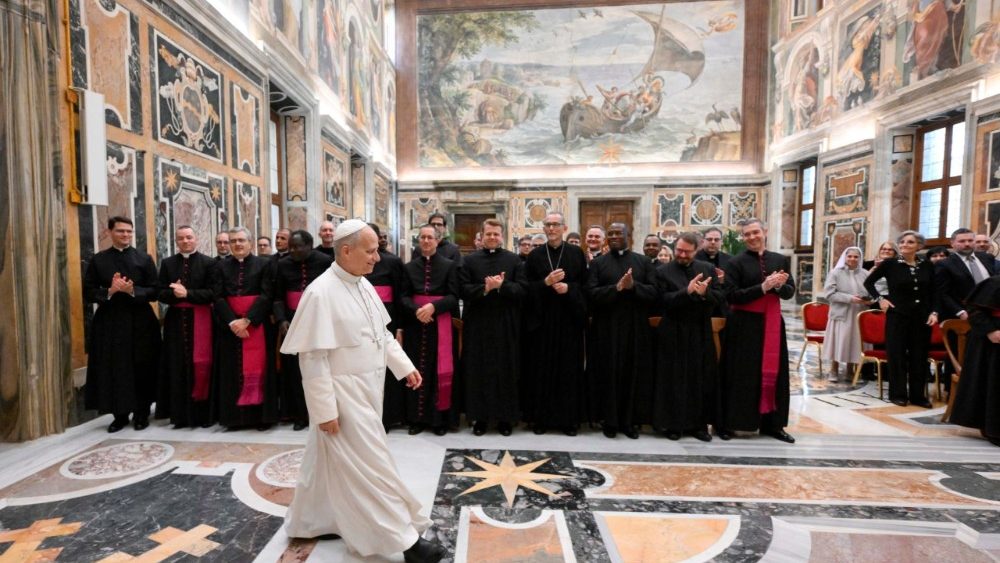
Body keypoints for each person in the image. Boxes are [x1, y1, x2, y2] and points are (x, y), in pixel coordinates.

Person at [280, 220, 445, 562]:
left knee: (324, 460)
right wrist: (325, 412)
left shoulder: (362, 283)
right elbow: (312, 358)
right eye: (370, 251)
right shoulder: (320, 293)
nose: (376, 258)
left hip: (369, 388)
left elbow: (381, 334)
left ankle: (310, 521)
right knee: (371, 468)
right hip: (343, 396)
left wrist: (404, 366)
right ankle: (405, 542)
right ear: (345, 250)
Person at [719, 219, 796, 443]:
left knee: (776, 373)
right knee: (743, 375)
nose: (752, 237)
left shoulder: (779, 260)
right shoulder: (735, 263)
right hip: (743, 326)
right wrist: (763, 287)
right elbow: (731, 296)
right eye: (747, 234)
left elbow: (789, 291)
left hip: (772, 323)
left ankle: (773, 425)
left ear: (765, 232)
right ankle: (736, 422)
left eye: (755, 232)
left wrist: (779, 286)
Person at [83, 216, 161, 433]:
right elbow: (88, 292)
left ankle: (142, 412)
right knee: (114, 367)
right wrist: (110, 291)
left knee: (142, 365)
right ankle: (119, 415)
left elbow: (155, 291)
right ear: (110, 232)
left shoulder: (144, 259)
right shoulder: (99, 260)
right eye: (120, 231)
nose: (125, 235)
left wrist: (132, 290)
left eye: (129, 231)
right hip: (110, 322)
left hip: (141, 322)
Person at [586, 223, 657, 438]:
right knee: (607, 373)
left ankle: (629, 422)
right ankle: (608, 420)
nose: (615, 236)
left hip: (635, 328)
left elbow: (655, 293)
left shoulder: (643, 262)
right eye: (611, 234)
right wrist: (615, 288)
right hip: (606, 328)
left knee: (632, 373)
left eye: (619, 233)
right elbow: (590, 293)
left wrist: (633, 286)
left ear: (629, 236)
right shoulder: (598, 263)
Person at [522, 212, 589, 435]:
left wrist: (569, 288)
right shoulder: (535, 256)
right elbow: (526, 289)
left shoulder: (576, 254)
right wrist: (545, 283)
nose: (551, 229)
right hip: (542, 323)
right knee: (541, 370)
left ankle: (568, 421)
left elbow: (586, 286)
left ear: (563, 227)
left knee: (568, 372)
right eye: (548, 225)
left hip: (569, 322)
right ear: (543, 228)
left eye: (555, 225)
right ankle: (540, 420)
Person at [652, 232, 723, 441]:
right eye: (679, 250)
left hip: (699, 330)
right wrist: (687, 292)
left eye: (687, 252)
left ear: (696, 250)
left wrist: (704, 293)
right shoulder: (662, 271)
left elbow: (719, 297)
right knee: (673, 379)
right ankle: (673, 425)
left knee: (699, 378)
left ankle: (698, 426)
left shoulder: (707, 269)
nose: (682, 255)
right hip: (673, 330)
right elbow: (661, 300)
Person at [460, 219, 524, 436]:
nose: (492, 237)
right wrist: (485, 289)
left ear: (502, 236)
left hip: (505, 325)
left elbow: (522, 290)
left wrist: (502, 285)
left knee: (506, 370)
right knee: (478, 371)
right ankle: (480, 418)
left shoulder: (513, 260)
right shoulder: (469, 261)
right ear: (482, 236)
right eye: (488, 234)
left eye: (496, 234)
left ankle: (505, 419)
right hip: (478, 325)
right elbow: (462, 289)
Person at [212, 226, 279, 429]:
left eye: (241, 240)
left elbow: (267, 295)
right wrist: (232, 322)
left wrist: (248, 320)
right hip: (230, 327)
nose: (237, 244)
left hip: (257, 325)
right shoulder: (220, 266)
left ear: (250, 243)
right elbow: (218, 296)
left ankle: (261, 418)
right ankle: (234, 419)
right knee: (232, 371)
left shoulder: (264, 264)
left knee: (261, 370)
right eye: (233, 241)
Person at [864, 230, 939, 408]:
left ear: (919, 246)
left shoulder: (927, 265)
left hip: (921, 317)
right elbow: (868, 282)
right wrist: (880, 299)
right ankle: (898, 394)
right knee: (897, 355)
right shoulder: (890, 264)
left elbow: (934, 291)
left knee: (919, 356)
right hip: (897, 315)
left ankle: (918, 396)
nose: (905, 245)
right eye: (902, 242)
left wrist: (934, 312)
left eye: (910, 242)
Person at [401, 224, 460, 435]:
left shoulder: (450, 266)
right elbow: (403, 296)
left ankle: (439, 421)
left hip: (440, 324)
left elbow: (454, 296)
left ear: (437, 240)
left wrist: (434, 307)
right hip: (416, 325)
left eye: (430, 238)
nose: (426, 241)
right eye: (422, 237)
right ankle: (416, 419)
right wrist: (417, 310)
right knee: (415, 368)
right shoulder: (409, 267)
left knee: (438, 370)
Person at [157, 225, 217, 429]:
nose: (185, 241)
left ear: (196, 239)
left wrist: (188, 294)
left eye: (189, 237)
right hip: (175, 323)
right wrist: (174, 294)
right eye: (181, 238)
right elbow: (160, 292)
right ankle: (179, 416)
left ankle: (202, 415)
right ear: (176, 241)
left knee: (202, 365)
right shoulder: (167, 263)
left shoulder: (209, 263)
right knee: (177, 366)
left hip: (202, 320)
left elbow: (214, 293)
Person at [274, 231, 333, 430]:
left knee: (321, 370)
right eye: (291, 246)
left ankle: (323, 414)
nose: (292, 250)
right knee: (295, 371)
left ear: (309, 245)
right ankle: (299, 415)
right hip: (293, 321)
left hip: (319, 319)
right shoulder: (283, 264)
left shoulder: (325, 261)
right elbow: (278, 296)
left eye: (297, 246)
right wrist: (281, 319)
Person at [949, 273, 1000, 447]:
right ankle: (994, 429)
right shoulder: (994, 283)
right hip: (992, 343)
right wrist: (990, 330)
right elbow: (974, 310)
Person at [366, 223, 408, 430]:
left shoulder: (392, 261)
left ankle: (388, 416)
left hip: (387, 321)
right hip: (360, 324)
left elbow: (400, 296)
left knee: (387, 369)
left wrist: (400, 327)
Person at [822, 247, 871, 382]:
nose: (852, 259)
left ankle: (850, 370)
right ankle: (834, 369)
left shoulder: (865, 274)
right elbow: (829, 294)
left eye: (856, 257)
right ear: (845, 257)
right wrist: (850, 299)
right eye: (850, 256)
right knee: (838, 341)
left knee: (855, 342)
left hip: (859, 313)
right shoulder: (835, 273)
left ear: (860, 258)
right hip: (841, 313)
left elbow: (872, 291)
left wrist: (869, 300)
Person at [936, 228, 996, 323]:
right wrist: (959, 311)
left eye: (970, 240)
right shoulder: (944, 264)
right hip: (966, 313)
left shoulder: (987, 257)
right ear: (952, 243)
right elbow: (943, 293)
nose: (967, 244)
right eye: (962, 241)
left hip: (992, 310)